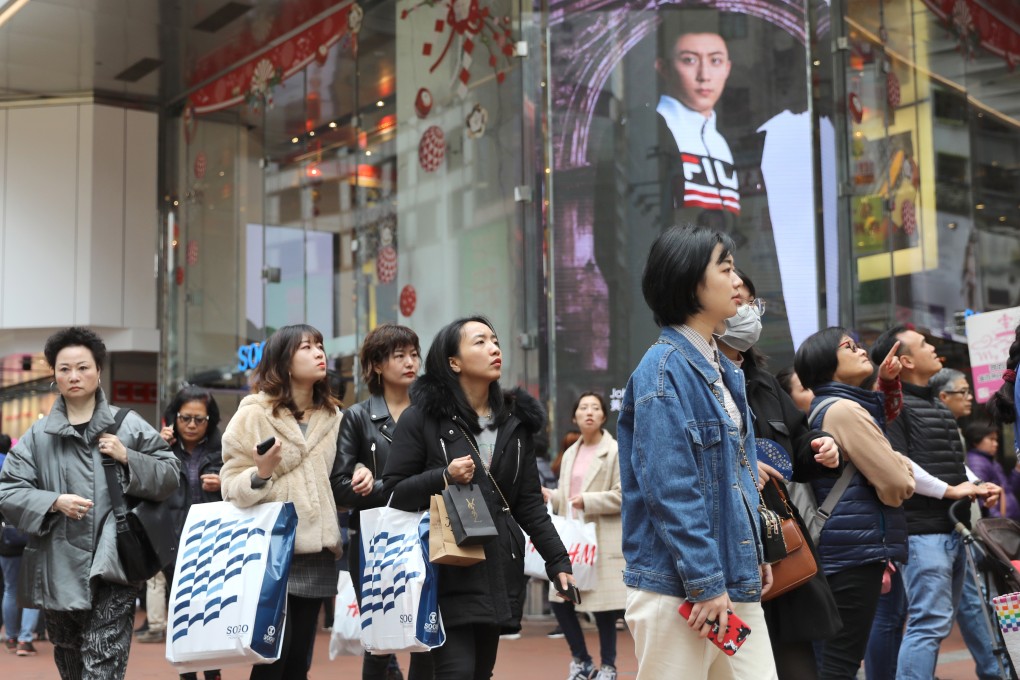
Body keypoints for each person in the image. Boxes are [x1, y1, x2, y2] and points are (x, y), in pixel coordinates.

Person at [617, 225, 777, 679]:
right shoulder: (662, 372)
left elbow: (737, 475)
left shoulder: (722, 369)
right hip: (680, 590)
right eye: (725, 269)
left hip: (730, 582)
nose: (737, 283)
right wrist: (707, 584)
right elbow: (671, 491)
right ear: (690, 282)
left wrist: (754, 553)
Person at [383, 316, 574, 680]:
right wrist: (444, 476)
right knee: (455, 671)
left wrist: (558, 562)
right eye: (480, 341)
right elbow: (393, 491)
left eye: (495, 341)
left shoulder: (516, 424)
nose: (494, 348)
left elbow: (529, 506)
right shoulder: (421, 418)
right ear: (454, 362)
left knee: (479, 672)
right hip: (443, 569)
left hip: (497, 566)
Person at [0, 326, 179, 680]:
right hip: (57, 566)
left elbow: (170, 475)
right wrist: (53, 501)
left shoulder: (127, 425)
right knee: (70, 665)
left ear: (99, 371)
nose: (74, 376)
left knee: (102, 664)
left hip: (114, 562)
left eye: (83, 367)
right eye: (64, 368)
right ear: (53, 374)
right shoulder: (38, 435)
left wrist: (129, 456)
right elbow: (7, 491)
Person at [714, 270, 843, 680]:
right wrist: (741, 465)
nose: (747, 311)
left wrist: (820, 446)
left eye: (753, 303)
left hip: (778, 540)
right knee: (731, 660)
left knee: (794, 658)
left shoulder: (766, 384)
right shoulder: (693, 377)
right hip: (724, 548)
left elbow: (798, 446)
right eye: (737, 300)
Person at [869, 327, 1002, 680]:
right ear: (906, 360)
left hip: (950, 528)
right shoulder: (892, 407)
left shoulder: (933, 404)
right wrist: (949, 491)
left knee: (935, 623)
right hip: (922, 532)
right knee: (928, 625)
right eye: (926, 344)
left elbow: (948, 461)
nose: (935, 349)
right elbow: (899, 462)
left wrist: (975, 484)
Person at [220, 324, 346, 680]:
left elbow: (338, 479)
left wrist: (360, 478)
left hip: (317, 550)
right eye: (307, 347)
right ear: (284, 362)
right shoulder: (254, 412)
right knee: (272, 656)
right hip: (269, 550)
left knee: (298, 662)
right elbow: (229, 483)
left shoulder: (334, 416)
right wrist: (260, 473)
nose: (319, 353)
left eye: (320, 346)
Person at [793, 327, 917, 679]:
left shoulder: (829, 407)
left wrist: (887, 385)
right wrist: (902, 471)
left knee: (833, 658)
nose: (861, 350)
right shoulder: (844, 410)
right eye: (849, 347)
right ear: (825, 363)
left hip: (841, 548)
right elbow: (895, 482)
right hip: (855, 551)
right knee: (841, 663)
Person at [331, 323, 432, 680]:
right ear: (376, 364)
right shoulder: (358, 417)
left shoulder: (431, 412)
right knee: (380, 639)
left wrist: (387, 486)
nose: (410, 362)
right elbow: (340, 488)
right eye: (399, 355)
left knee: (428, 633)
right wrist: (370, 483)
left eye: (414, 354)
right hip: (376, 541)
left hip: (429, 536)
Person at [541, 392, 625, 680]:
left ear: (604, 416)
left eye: (595, 408)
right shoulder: (571, 453)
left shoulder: (614, 450)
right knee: (560, 600)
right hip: (575, 540)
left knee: (603, 609)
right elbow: (566, 495)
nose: (589, 412)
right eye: (583, 408)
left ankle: (609, 667)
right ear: (575, 416)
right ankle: (581, 660)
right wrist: (551, 495)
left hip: (602, 538)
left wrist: (588, 500)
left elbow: (623, 495)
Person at [156, 386, 226, 680]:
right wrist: (153, 448)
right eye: (186, 418)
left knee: (212, 610)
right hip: (174, 544)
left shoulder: (224, 449)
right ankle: (187, 673)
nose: (193, 425)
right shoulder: (161, 447)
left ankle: (213, 672)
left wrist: (224, 483)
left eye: (201, 419)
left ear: (210, 421)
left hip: (213, 544)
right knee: (180, 611)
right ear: (174, 418)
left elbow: (245, 488)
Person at [656, 25, 739, 223]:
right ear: (664, 68)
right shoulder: (652, 128)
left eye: (715, 61)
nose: (704, 75)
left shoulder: (720, 143)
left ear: (727, 68)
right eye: (689, 60)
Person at [0, 432, 40, 657]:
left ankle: (12, 637)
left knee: (10, 588)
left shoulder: (5, 477)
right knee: (31, 591)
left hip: (6, 540)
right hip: (31, 539)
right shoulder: (36, 475)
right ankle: (25, 640)